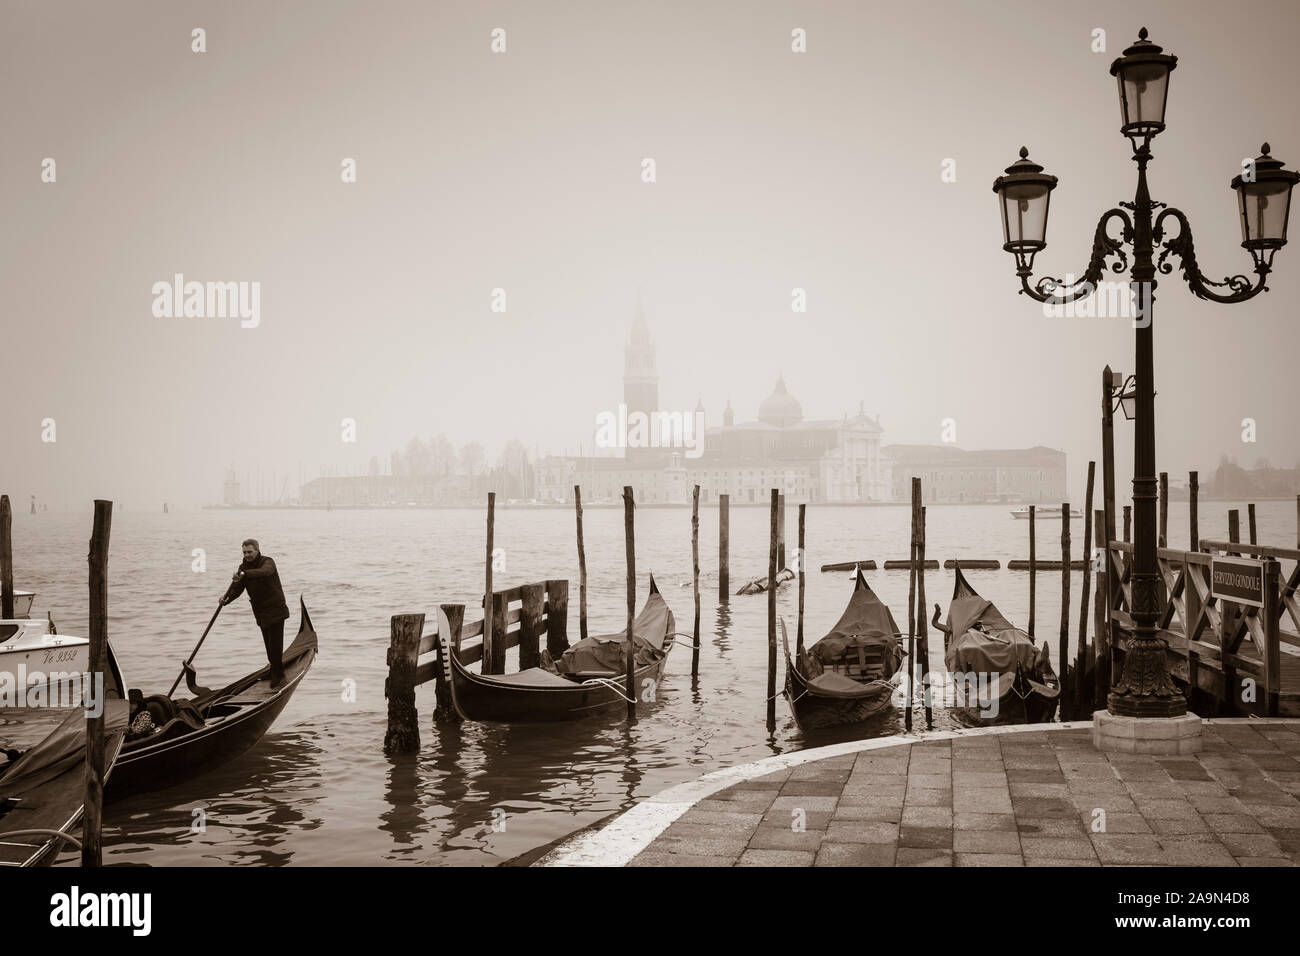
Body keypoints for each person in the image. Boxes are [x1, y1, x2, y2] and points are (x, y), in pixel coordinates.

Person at [221, 538, 289, 687]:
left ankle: (279, 674)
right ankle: (273, 669)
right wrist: (226, 600)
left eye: (250, 552)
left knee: (275, 645)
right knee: (268, 645)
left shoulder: (268, 561)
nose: (247, 555)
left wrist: (245, 574)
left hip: (276, 609)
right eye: (244, 552)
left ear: (257, 550)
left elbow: (265, 572)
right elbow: (237, 589)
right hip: (261, 612)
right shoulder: (243, 567)